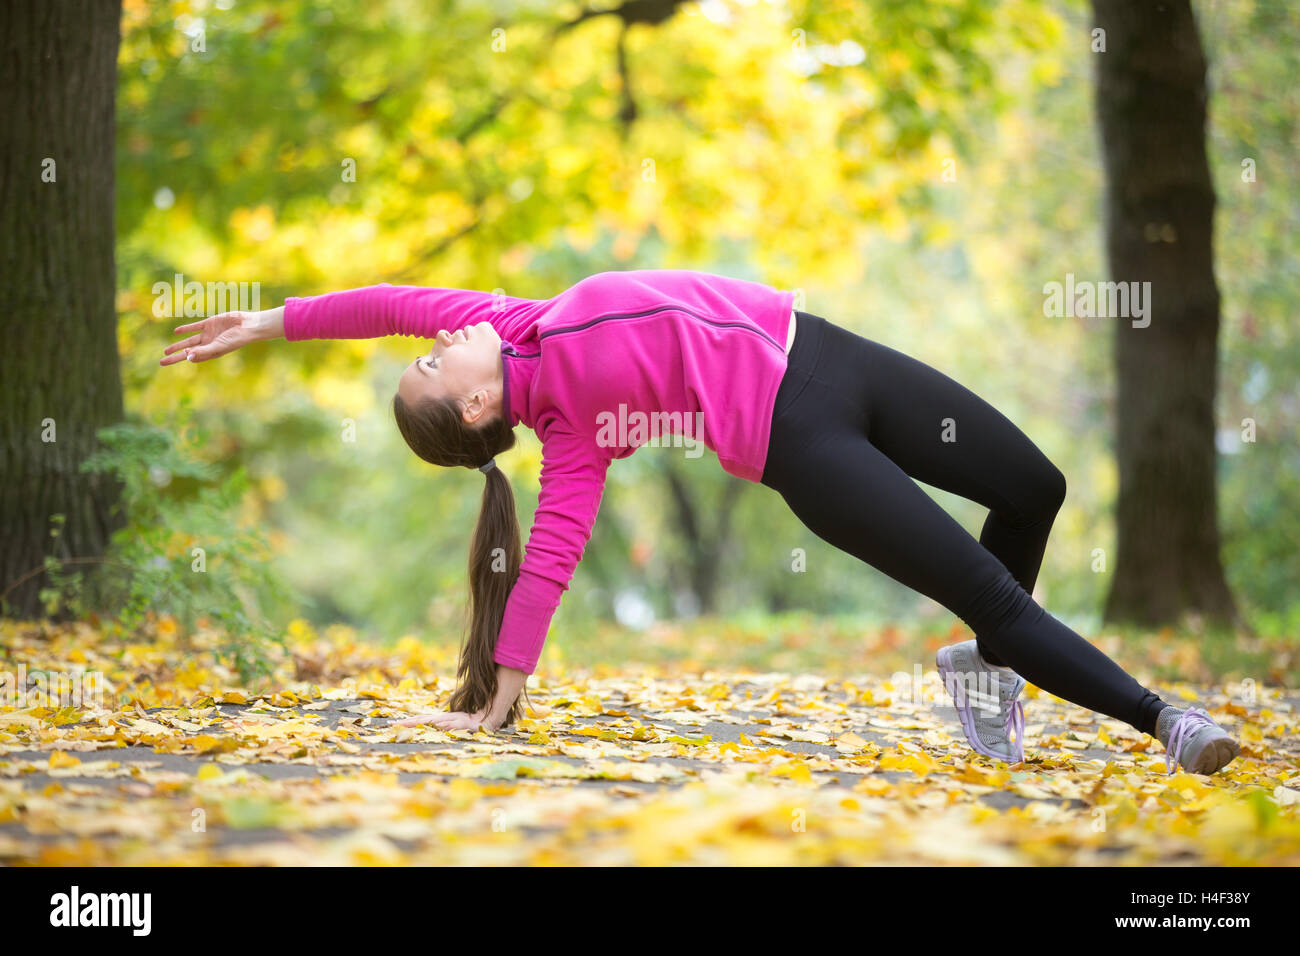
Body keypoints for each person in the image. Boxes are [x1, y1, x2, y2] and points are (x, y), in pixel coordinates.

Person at [160, 269, 1241, 775]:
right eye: (436, 368)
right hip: (807, 447)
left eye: (434, 350)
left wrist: (268, 321)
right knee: (993, 590)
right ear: (480, 408)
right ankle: (1162, 721)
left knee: (1034, 487)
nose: (437, 340)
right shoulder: (574, 431)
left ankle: (986, 670)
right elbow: (548, 562)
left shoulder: (501, 323)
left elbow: (389, 301)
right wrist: (501, 693)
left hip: (833, 354)